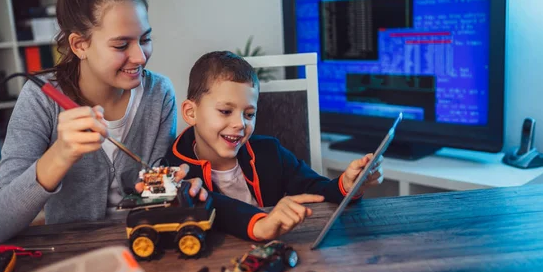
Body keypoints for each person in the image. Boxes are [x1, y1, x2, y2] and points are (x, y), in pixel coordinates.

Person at [0, 0, 207, 243]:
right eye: (121, 45)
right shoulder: (40, 99)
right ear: (80, 45)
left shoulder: (158, 94)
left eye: (145, 39)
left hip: (144, 245)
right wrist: (61, 154)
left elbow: (154, 191)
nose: (140, 57)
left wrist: (178, 188)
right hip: (73, 258)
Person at [163, 51, 384, 241]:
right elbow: (211, 207)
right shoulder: (175, 169)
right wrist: (260, 224)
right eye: (225, 111)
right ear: (191, 113)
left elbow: (317, 190)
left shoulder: (269, 152)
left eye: (249, 114)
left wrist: (347, 185)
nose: (240, 124)